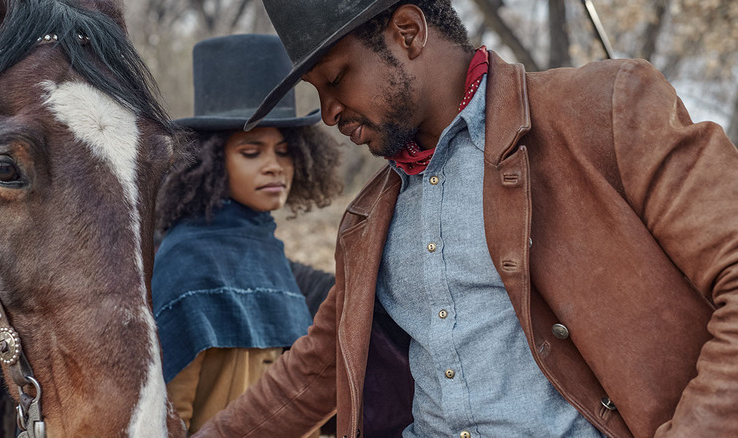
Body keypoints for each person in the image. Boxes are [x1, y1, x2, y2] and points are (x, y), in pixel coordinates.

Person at [194, 1, 738, 437]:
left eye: (335, 79)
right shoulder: (367, 219)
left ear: (408, 33)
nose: (329, 112)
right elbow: (315, 370)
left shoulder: (607, 108)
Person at [150, 34, 341, 436]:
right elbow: (170, 413)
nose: (274, 167)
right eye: (251, 152)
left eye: (284, 151)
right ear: (214, 162)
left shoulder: (266, 249)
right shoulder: (188, 256)